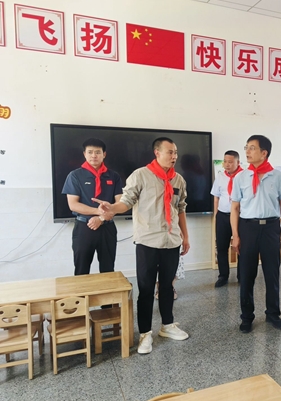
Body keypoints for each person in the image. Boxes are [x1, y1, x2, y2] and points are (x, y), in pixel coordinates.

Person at [93, 137, 190, 355]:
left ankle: (167, 325)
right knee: (146, 289)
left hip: (172, 240)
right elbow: (126, 202)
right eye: (170, 152)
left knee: (167, 287)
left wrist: (185, 236)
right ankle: (145, 333)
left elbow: (181, 208)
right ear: (157, 153)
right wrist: (111, 208)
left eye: (175, 152)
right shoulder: (140, 175)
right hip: (148, 241)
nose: (174, 156)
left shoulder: (178, 180)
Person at [230, 135, 281, 334]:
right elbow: (235, 208)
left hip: (271, 228)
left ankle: (273, 313)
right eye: (246, 147)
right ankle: (247, 317)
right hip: (248, 228)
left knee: (272, 273)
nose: (247, 151)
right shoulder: (240, 177)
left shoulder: (277, 176)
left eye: (252, 148)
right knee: (247, 274)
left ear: (264, 153)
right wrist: (235, 235)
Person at [62, 138, 123, 275]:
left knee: (108, 270)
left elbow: (120, 203)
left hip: (107, 227)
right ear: (84, 154)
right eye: (90, 152)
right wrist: (99, 212)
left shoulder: (114, 176)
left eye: (97, 152)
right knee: (81, 270)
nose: (94, 155)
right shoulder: (75, 176)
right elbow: (73, 205)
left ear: (104, 154)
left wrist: (101, 218)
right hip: (84, 228)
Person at [210, 150, 243, 288]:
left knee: (241, 247)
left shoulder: (244, 176)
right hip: (223, 216)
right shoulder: (220, 176)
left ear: (238, 162)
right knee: (222, 247)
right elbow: (216, 197)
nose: (227, 164)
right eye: (225, 161)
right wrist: (216, 215)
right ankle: (223, 276)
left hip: (240, 217)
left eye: (230, 162)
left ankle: (242, 276)